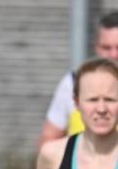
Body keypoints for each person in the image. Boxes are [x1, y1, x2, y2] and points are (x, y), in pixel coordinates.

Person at [39, 12, 118, 148]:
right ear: (96, 47)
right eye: (106, 47)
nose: (113, 54)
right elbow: (49, 139)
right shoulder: (72, 83)